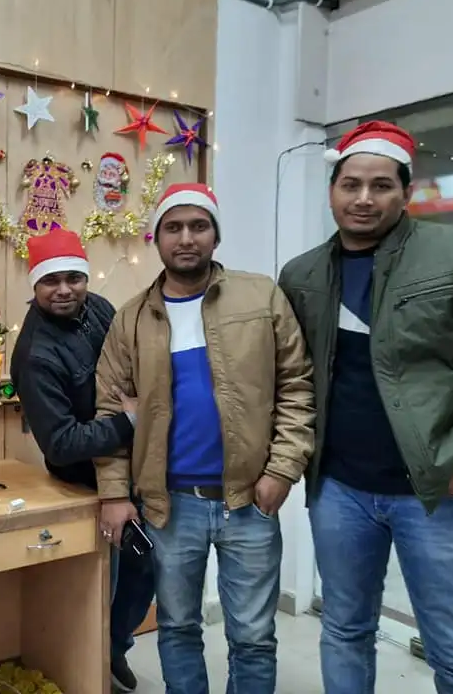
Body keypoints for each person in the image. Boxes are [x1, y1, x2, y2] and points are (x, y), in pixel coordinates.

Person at [279, 120, 453, 694]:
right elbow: (293, 379)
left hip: (435, 491)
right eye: (350, 184)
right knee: (344, 630)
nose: (364, 198)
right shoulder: (302, 274)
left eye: (381, 185)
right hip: (338, 490)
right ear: (331, 190)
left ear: (406, 191)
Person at [96, 183, 316, 694]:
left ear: (216, 235)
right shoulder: (131, 318)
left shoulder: (261, 296)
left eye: (199, 226)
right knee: (176, 627)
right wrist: (113, 492)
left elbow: (297, 385)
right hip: (170, 505)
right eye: (173, 227)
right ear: (157, 238)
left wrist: (283, 469)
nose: (186, 238)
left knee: (253, 636)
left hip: (249, 500)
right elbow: (109, 410)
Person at [9, 228, 155, 693]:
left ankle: (113, 648)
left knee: (144, 571)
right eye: (51, 281)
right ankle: (92, 663)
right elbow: (62, 442)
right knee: (102, 587)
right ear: (35, 285)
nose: (64, 290)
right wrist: (129, 421)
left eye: (74, 278)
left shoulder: (99, 309)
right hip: (84, 483)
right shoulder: (35, 355)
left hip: (134, 470)